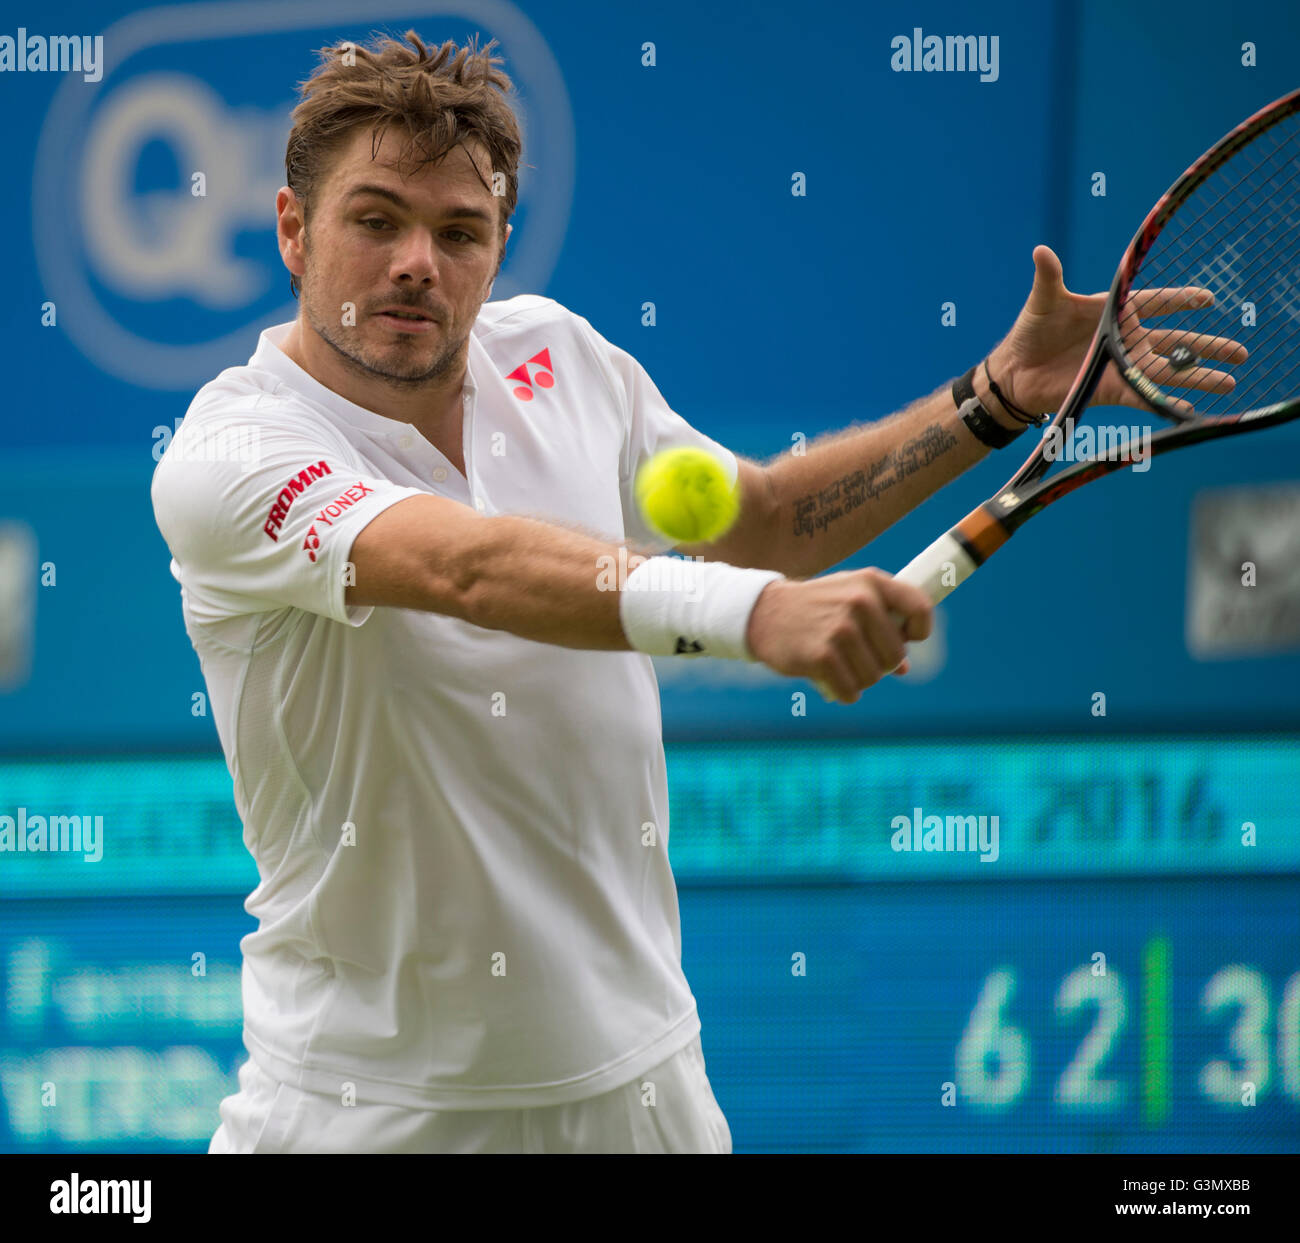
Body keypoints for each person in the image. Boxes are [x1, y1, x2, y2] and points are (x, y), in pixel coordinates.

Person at [150, 30, 1210, 1154]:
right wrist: (752, 615)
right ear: (291, 230)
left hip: (644, 1094)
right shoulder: (232, 454)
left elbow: (760, 521)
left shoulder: (563, 357)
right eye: (375, 220)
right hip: (362, 1113)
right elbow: (469, 568)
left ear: (499, 249)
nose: (418, 260)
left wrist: (994, 398)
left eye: (460, 232)